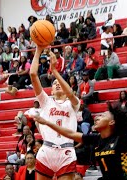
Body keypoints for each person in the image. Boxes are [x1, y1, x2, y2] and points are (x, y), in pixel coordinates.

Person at [30, 45, 80, 179]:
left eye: (61, 82)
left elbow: (69, 93)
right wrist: (38, 50)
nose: (57, 83)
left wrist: (55, 71)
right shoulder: (46, 101)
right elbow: (33, 74)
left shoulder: (73, 103)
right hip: (46, 150)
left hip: (66, 151)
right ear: (51, 91)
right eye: (54, 83)